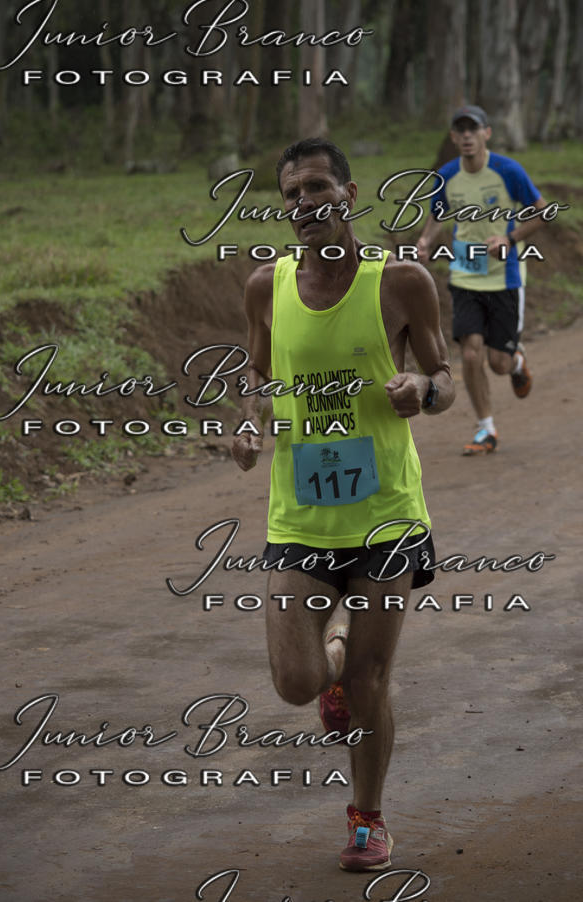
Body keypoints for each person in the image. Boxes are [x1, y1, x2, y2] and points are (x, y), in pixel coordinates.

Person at [232, 137, 455, 871]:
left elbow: (442, 375)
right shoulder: (266, 286)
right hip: (300, 514)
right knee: (299, 682)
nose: (304, 206)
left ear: (350, 195)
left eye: (318, 189)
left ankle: (367, 818)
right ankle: (330, 663)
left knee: (370, 682)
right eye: (291, 195)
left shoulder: (402, 281)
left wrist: (421, 391)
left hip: (387, 511)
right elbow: (258, 378)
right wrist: (248, 423)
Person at [417, 105, 545, 455]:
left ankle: (516, 362)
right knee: (470, 355)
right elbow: (437, 216)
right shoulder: (446, 175)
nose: (467, 136)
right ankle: (486, 429)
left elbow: (541, 213)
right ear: (454, 138)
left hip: (504, 278)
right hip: (465, 274)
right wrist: (426, 240)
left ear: (486, 133)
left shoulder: (508, 171)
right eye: (461, 131)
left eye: (474, 130)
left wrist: (510, 239)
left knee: (497, 363)